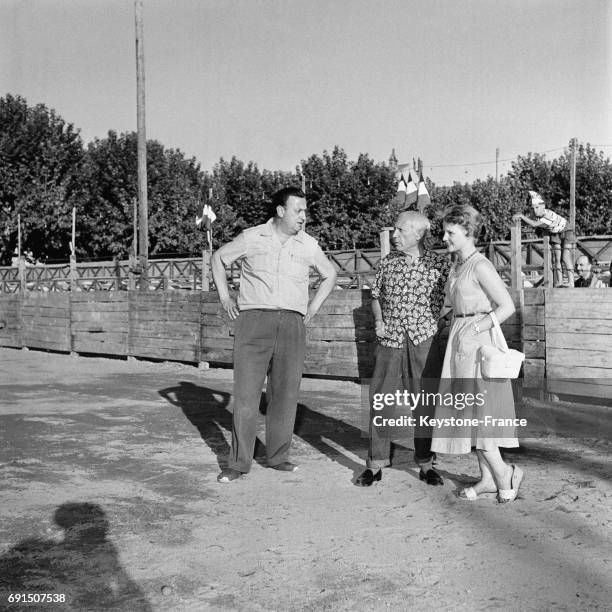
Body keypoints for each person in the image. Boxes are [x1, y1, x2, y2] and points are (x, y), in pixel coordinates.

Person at [211, 186, 337, 483]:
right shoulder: (253, 237)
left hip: (292, 323)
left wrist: (314, 307)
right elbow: (218, 258)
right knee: (246, 395)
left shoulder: (308, 245)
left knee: (285, 393)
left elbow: (329, 275)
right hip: (254, 320)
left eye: (306, 211)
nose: (304, 217)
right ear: (280, 211)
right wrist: (225, 297)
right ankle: (239, 464)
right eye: (298, 211)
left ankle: (278, 456)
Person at [431, 204, 524, 503]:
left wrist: (475, 328)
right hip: (459, 338)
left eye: (450, 232)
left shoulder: (480, 265)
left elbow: (507, 306)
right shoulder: (458, 265)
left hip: (477, 340)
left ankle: (505, 473)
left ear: (468, 232)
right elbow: (455, 304)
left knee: (478, 414)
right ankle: (486, 479)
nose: (444, 238)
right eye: (444, 231)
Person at [355, 211, 451, 487]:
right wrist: (378, 321)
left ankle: (425, 463)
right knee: (381, 401)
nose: (394, 235)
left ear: (419, 234)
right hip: (390, 341)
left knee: (425, 403)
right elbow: (376, 297)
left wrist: (439, 324)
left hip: (424, 341)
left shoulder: (439, 264)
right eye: (394, 230)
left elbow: (456, 298)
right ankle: (375, 464)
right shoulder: (387, 263)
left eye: (400, 230)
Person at [513, 191, 575, 287]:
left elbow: (533, 224)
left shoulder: (547, 216)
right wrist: (520, 220)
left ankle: (571, 282)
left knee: (565, 257)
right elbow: (530, 221)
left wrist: (521, 216)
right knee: (556, 259)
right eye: (533, 208)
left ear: (543, 206)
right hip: (555, 232)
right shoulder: (537, 215)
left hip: (566, 230)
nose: (535, 211)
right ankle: (560, 281)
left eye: (537, 208)